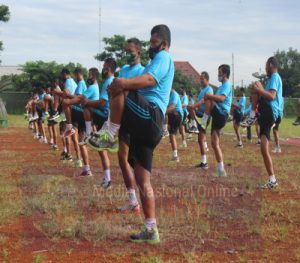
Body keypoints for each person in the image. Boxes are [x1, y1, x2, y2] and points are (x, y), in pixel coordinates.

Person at [89, 24, 174, 244]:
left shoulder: (164, 57)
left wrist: (122, 83)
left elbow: (149, 81)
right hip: (146, 125)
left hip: (152, 115)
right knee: (142, 179)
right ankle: (151, 229)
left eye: (154, 42)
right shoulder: (155, 60)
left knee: (120, 85)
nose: (151, 46)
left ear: (164, 43)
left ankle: (110, 133)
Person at [242, 57, 283, 189]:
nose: (265, 68)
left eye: (266, 65)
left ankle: (252, 115)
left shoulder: (275, 77)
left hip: (271, 110)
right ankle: (272, 180)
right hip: (269, 113)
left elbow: (271, 96)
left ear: (270, 65)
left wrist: (258, 91)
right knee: (264, 149)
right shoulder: (273, 79)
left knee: (256, 84)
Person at [117, 38, 145, 213]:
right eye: (126, 51)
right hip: (122, 118)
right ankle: (133, 199)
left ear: (139, 52)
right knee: (123, 159)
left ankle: (141, 197)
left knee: (135, 162)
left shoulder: (143, 71)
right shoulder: (124, 70)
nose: (128, 54)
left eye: (131, 51)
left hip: (136, 118)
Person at [201, 64, 233, 177]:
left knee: (209, 98)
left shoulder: (226, 85)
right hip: (217, 115)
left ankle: (203, 123)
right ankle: (221, 170)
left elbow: (222, 99)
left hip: (221, 114)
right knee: (214, 143)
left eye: (219, 72)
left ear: (224, 73)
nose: (218, 74)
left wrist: (209, 96)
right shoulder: (221, 87)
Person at [188, 71, 213, 169]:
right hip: (200, 115)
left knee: (200, 139)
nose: (200, 80)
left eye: (202, 79)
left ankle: (205, 163)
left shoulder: (209, 89)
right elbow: (199, 103)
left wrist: (194, 106)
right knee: (200, 139)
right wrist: (194, 107)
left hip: (205, 117)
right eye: (200, 79)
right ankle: (203, 162)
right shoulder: (202, 90)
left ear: (207, 79)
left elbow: (203, 101)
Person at [166, 88, 183, 162]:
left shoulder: (174, 94)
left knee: (172, 134)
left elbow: (172, 107)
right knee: (172, 135)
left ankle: (164, 130)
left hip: (177, 115)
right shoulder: (169, 95)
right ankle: (175, 155)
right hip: (174, 115)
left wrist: (162, 112)